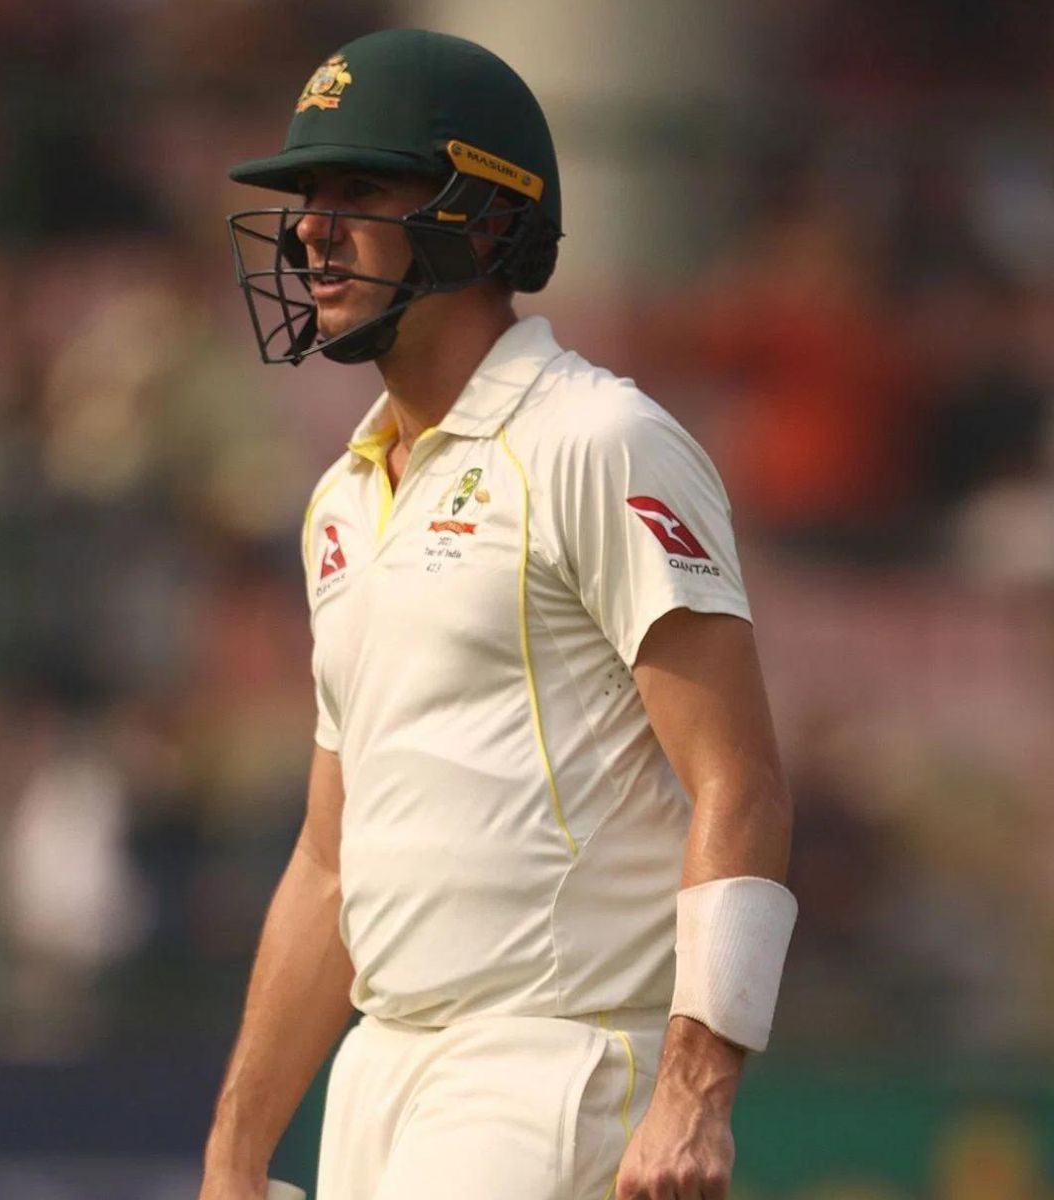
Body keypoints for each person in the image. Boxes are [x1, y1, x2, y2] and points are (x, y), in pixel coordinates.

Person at [203, 29, 796, 1200]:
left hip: (551, 1058)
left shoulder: (597, 440)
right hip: (380, 1073)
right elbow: (330, 860)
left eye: (358, 190)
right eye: (304, 196)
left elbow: (742, 781)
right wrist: (234, 1153)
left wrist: (693, 1090)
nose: (310, 227)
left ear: (480, 218)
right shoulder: (342, 498)